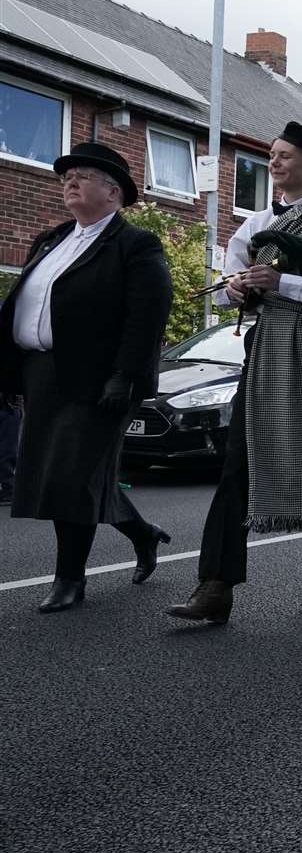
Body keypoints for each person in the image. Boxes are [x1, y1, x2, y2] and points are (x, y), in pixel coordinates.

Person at [167, 122, 302, 624]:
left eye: (285, 155)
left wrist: (282, 282)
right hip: (269, 344)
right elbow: (235, 270)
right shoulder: (255, 223)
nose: (274, 162)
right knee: (238, 459)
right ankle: (214, 586)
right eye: (272, 155)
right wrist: (238, 289)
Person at [0, 142, 173, 612]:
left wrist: (126, 375)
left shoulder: (135, 245)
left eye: (82, 175)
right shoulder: (51, 239)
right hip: (42, 373)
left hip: (101, 381)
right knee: (69, 472)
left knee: (71, 476)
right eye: (65, 177)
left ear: (113, 192)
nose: (69, 182)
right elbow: (26, 307)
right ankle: (143, 534)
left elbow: (147, 315)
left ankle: (69, 580)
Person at [0, 393, 19, 505]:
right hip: (7, 403)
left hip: (7, 403)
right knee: (7, 449)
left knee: (7, 449)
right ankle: (7, 487)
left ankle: (8, 487)